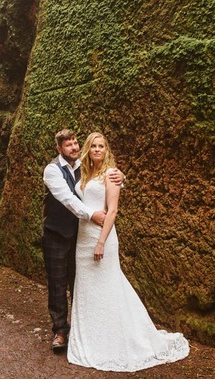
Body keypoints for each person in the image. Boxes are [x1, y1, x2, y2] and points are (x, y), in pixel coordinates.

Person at [67, 132, 189, 371]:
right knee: (88, 289)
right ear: (88, 149)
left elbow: (112, 211)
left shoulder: (111, 174)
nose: (97, 149)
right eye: (94, 146)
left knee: (109, 286)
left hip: (101, 237)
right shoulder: (85, 172)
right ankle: (92, 337)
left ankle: (120, 338)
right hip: (83, 239)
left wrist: (101, 242)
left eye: (102, 146)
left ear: (107, 150)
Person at [42, 129, 123, 353]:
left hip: (80, 236)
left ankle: (82, 329)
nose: (74, 148)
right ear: (59, 148)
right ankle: (60, 330)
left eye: (76, 143)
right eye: (68, 145)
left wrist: (121, 178)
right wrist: (92, 215)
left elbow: (103, 179)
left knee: (82, 283)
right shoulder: (52, 170)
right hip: (56, 234)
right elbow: (67, 198)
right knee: (57, 284)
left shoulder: (84, 166)